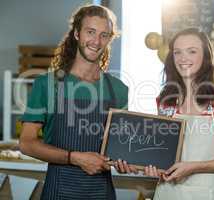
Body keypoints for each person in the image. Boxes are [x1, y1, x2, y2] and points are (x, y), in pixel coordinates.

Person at [20, 5, 136, 200]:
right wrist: (75, 158)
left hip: (102, 193)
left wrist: (125, 162)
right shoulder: (47, 84)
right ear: (76, 34)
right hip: (58, 192)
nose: (96, 41)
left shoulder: (118, 90)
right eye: (90, 32)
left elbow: (121, 147)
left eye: (104, 35)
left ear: (109, 39)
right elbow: (27, 144)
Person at [144, 28, 214, 200]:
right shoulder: (165, 101)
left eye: (192, 51)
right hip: (167, 193)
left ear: (205, 57)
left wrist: (193, 167)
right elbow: (161, 153)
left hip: (208, 194)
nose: (183, 58)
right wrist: (152, 167)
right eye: (177, 52)